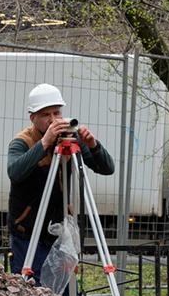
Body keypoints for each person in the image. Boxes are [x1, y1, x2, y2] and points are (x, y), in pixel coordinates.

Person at [7, 83, 115, 282]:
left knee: (61, 292)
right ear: (33, 118)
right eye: (46, 115)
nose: (54, 120)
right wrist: (45, 143)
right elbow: (15, 172)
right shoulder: (22, 142)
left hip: (59, 232)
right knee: (30, 289)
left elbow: (107, 168)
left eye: (57, 113)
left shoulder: (70, 139)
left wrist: (93, 145)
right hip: (28, 233)